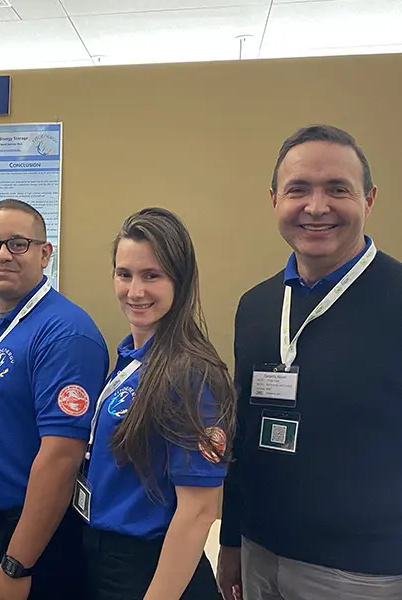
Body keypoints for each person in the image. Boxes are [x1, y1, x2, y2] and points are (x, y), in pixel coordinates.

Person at [218, 124, 402, 600]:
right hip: (261, 554)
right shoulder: (256, 307)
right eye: (299, 189)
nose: (316, 207)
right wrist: (231, 541)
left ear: (369, 199)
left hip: (365, 572)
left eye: (337, 189)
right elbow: (244, 433)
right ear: (275, 199)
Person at [0, 198, 109, 600]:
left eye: (18, 243)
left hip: (25, 541)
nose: (2, 256)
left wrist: (18, 563)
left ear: (45, 253)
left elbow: (62, 457)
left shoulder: (66, 333)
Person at [79, 207, 234, 600]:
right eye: (124, 274)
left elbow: (199, 512)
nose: (135, 291)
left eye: (152, 276)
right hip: (106, 557)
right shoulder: (133, 358)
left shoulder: (190, 372)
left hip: (151, 569)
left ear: (179, 282)